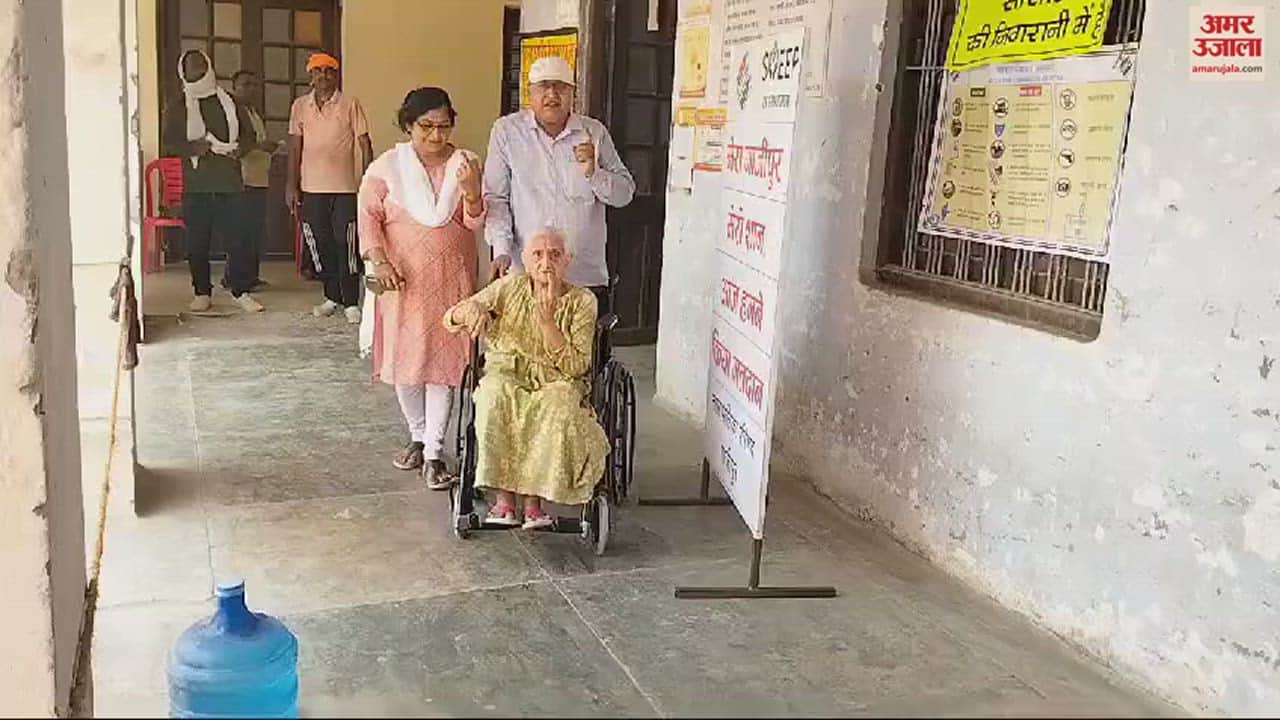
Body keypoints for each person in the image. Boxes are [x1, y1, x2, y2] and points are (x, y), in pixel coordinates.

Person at [358, 87, 486, 489]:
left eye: (443, 126)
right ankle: (417, 435)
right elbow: (368, 218)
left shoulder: (466, 164)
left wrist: (472, 191)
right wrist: (381, 261)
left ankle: (433, 452)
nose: (435, 135)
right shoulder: (385, 168)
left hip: (452, 279)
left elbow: (476, 222)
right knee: (407, 363)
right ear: (407, 125)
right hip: (403, 281)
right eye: (426, 126)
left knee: (443, 367)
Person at [442, 227, 609, 529]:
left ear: (568, 260)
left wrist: (548, 324)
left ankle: (534, 504)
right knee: (495, 397)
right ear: (525, 260)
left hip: (558, 378)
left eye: (555, 255)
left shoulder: (582, 301)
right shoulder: (509, 287)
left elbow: (577, 366)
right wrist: (473, 309)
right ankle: (504, 501)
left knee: (557, 406)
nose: (546, 263)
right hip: (507, 371)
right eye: (537, 255)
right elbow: (451, 317)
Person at [482, 56, 635, 309]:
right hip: (526, 275)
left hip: (580, 275)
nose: (552, 95)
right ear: (530, 93)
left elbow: (625, 194)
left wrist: (594, 173)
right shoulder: (507, 132)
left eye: (560, 87)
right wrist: (501, 250)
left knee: (580, 336)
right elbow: (496, 198)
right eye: (543, 86)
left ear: (572, 93)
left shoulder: (593, 132)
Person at [162, 50, 263, 313]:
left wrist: (241, 149)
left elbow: (249, 136)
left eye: (200, 64)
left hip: (230, 183)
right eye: (190, 66)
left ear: (208, 66)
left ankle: (240, 291)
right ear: (182, 70)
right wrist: (192, 148)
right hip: (197, 186)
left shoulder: (229, 101)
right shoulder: (177, 105)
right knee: (197, 243)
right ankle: (202, 292)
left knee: (238, 240)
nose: (196, 70)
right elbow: (168, 143)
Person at [287, 51, 373, 324]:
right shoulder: (300, 106)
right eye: (318, 71)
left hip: (345, 189)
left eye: (329, 71)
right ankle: (331, 296)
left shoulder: (350, 104)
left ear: (336, 76)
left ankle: (351, 301)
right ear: (310, 76)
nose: (323, 76)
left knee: (346, 243)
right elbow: (295, 147)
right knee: (320, 243)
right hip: (311, 188)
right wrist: (291, 185)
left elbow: (364, 144)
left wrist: (368, 181)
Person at [222, 69, 276, 292]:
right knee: (241, 233)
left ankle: (250, 276)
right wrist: (260, 146)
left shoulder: (253, 113)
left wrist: (268, 147)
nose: (251, 89)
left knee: (254, 231)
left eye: (254, 85)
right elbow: (233, 147)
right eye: (245, 85)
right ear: (234, 88)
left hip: (258, 178)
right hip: (241, 180)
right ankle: (236, 280)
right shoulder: (231, 114)